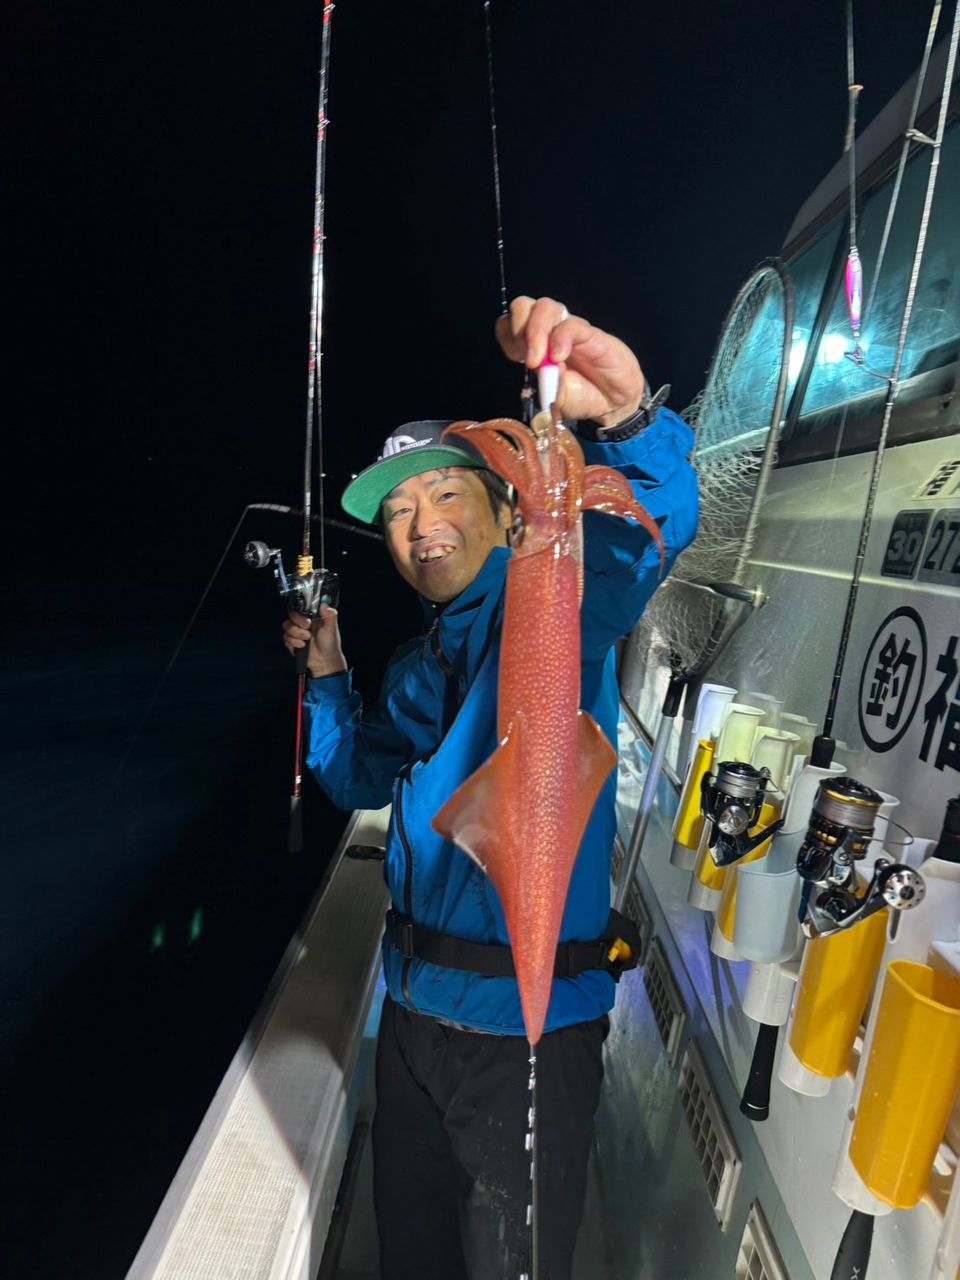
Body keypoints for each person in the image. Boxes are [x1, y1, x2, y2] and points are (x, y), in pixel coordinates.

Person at [283, 296, 699, 1279]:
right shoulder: (423, 664)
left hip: (526, 1036)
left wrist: (629, 418)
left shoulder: (556, 587)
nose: (418, 525)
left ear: (509, 507)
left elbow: (649, 529)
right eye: (396, 510)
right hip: (415, 1020)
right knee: (412, 1253)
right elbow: (357, 771)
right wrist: (332, 676)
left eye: (444, 495)